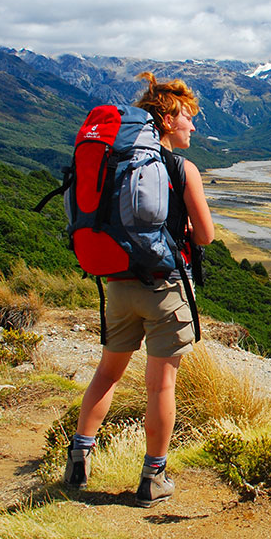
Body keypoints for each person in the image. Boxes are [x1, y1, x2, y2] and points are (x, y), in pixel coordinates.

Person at [63, 72, 214, 508]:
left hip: (117, 283)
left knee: (107, 372)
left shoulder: (119, 160)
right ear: (167, 119)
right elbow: (204, 236)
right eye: (188, 118)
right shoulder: (182, 169)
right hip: (162, 288)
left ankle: (79, 455)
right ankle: (154, 477)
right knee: (160, 386)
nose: (192, 127)